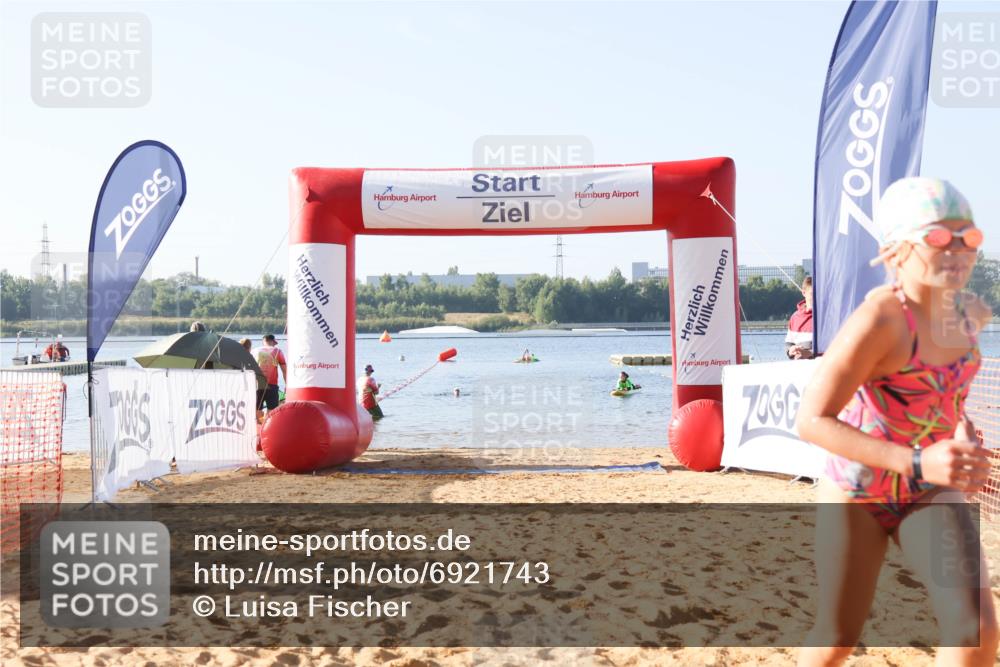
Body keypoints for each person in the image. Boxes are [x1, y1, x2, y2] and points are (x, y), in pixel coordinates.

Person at [795, 178, 996, 666]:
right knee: (837, 638)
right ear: (896, 251)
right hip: (858, 491)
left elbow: (943, 395)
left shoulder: (972, 314)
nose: (957, 250)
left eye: (967, 237)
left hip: (926, 488)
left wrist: (960, 432)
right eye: (937, 238)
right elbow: (811, 420)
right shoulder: (881, 318)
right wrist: (919, 458)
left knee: (976, 632)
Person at [252, 334, 287, 422]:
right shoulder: (278, 351)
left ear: (264, 341)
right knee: (272, 412)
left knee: (257, 409)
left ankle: (258, 428)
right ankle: (267, 429)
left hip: (257, 385)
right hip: (272, 386)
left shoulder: (254, 351)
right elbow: (284, 370)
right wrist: (287, 385)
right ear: (272, 341)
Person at [786, 276, 814, 359]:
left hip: (821, 368)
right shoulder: (795, 317)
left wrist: (810, 353)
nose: (816, 296)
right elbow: (789, 343)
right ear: (804, 293)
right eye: (812, 293)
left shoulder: (826, 317)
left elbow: (835, 348)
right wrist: (791, 350)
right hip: (799, 369)